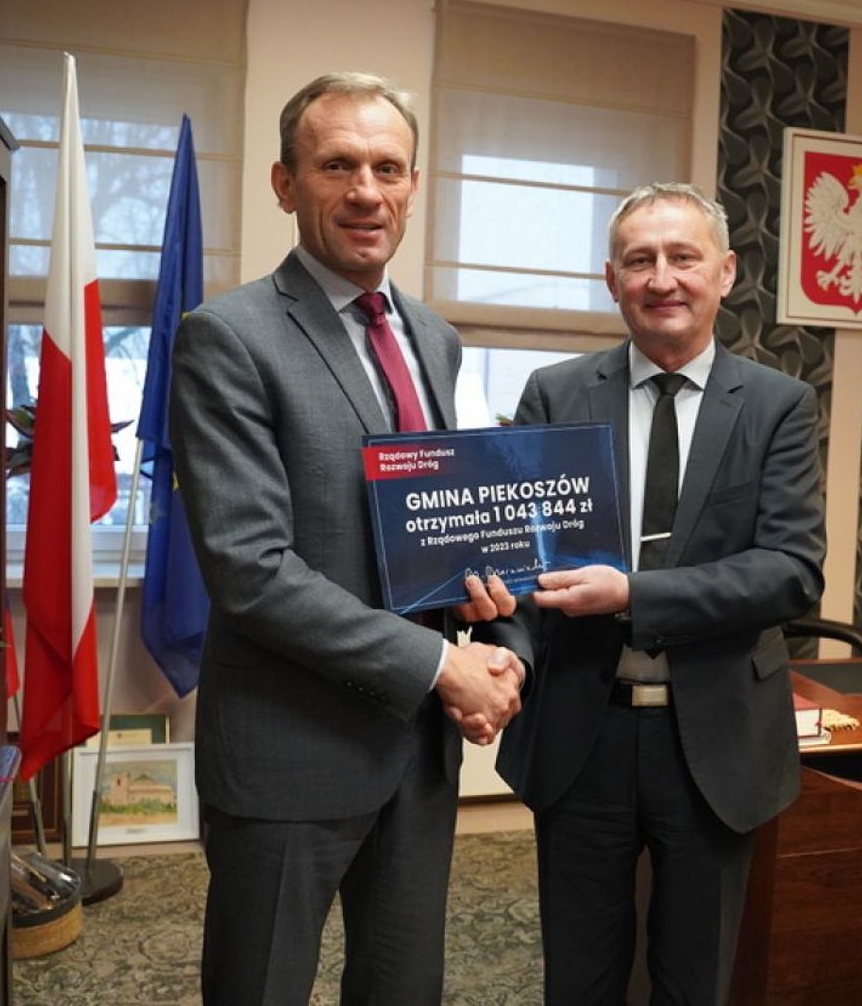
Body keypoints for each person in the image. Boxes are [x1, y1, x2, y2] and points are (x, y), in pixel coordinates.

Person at [169, 72, 524, 1005]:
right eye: (337, 166)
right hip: (289, 750)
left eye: (387, 168)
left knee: (404, 988)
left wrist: (498, 642)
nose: (367, 190)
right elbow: (251, 571)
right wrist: (440, 667)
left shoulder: (437, 339)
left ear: (412, 187)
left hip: (418, 755)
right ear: (285, 183)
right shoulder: (227, 337)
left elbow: (459, 526)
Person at [485, 183, 827, 1004]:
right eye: (640, 260)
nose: (662, 278)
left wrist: (633, 595)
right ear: (613, 280)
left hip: (716, 739)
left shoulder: (777, 405)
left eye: (683, 257)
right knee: (579, 977)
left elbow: (791, 570)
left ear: (725, 272)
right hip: (581, 731)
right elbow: (518, 559)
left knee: (695, 979)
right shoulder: (555, 394)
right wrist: (505, 654)